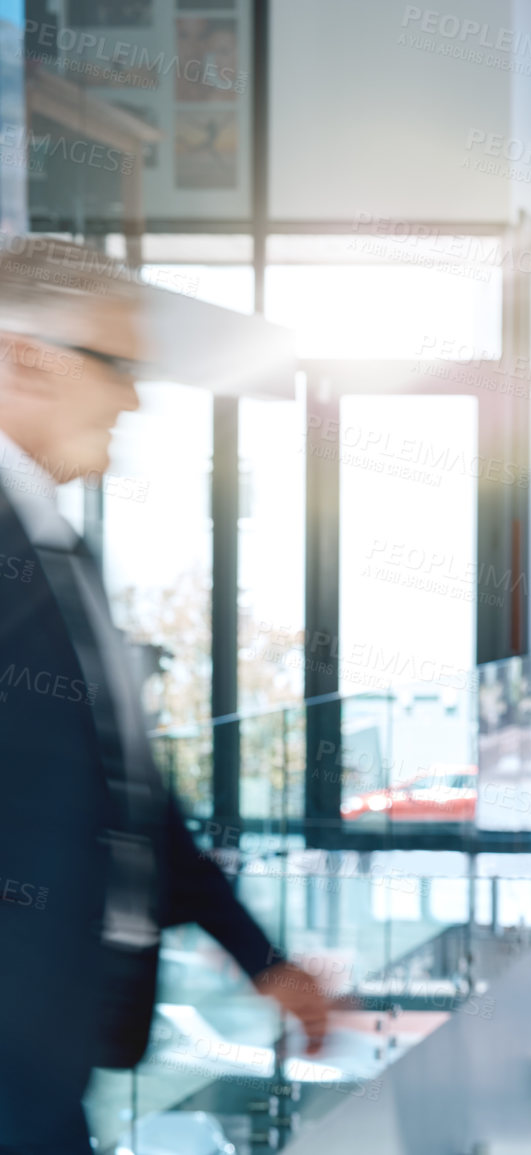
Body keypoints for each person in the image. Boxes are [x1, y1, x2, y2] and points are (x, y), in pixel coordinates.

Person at [0, 242, 330, 1154]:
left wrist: (257, 955)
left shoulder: (62, 556)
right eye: (116, 367)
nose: (132, 398)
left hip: (58, 1043)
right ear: (25, 355)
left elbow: (126, 793)